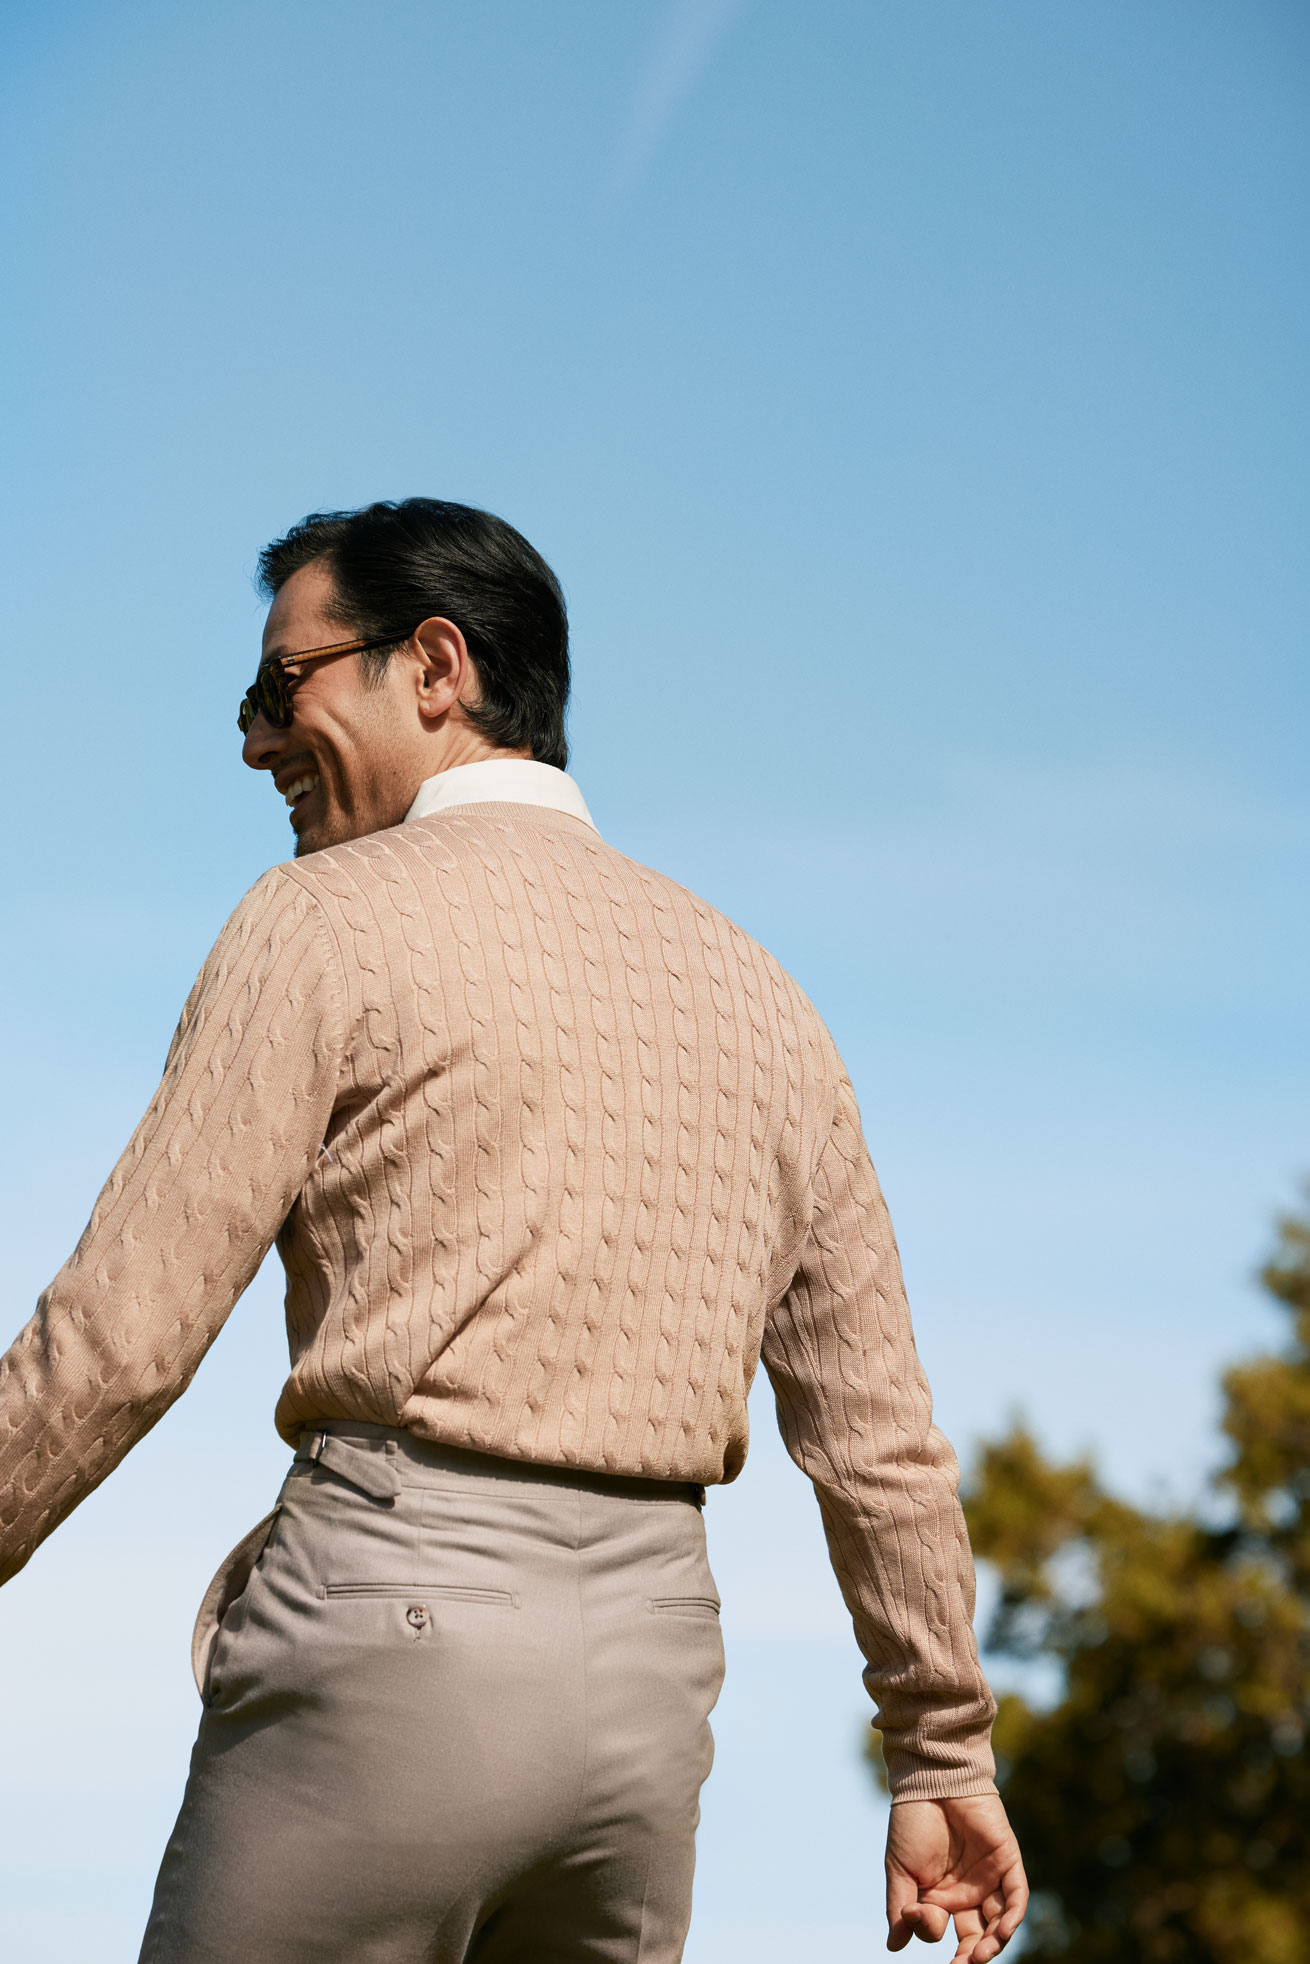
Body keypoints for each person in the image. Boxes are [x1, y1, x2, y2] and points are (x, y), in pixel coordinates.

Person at [0, 499, 1027, 1964]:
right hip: (651, 1706)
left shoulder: (322, 921)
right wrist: (942, 1755)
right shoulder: (768, 1001)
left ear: (434, 666)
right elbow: (878, 1439)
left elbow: (119, 1337)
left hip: (391, 1645)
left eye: (281, 685)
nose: (254, 740)